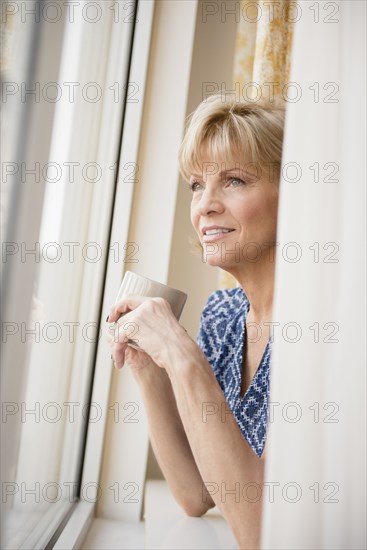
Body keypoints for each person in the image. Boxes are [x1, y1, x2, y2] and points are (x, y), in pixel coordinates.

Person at [106, 95, 285, 549]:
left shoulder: (326, 329)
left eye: (234, 181)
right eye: (196, 184)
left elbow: (260, 533)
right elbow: (196, 494)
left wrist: (183, 356)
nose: (204, 205)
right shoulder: (223, 314)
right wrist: (150, 367)